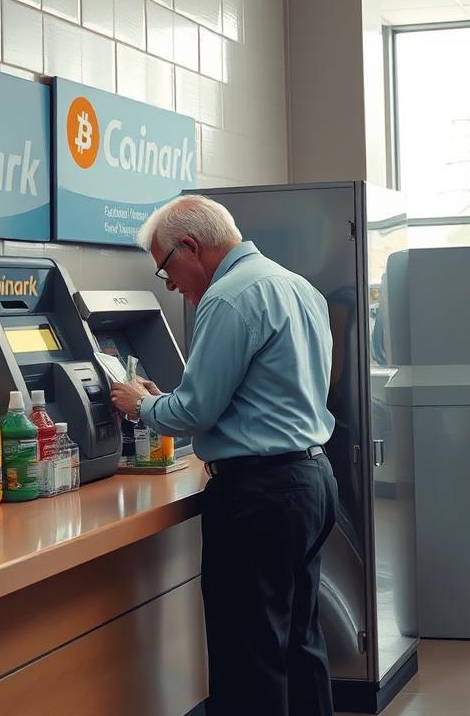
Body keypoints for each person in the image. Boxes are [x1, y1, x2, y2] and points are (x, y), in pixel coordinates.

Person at [109, 194, 338, 716]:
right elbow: (263, 393)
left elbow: (196, 410)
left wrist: (142, 405)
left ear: (190, 246)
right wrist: (166, 401)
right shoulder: (297, 286)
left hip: (260, 494)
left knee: (248, 658)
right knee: (300, 643)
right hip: (311, 480)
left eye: (166, 269)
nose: (171, 286)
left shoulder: (228, 297)